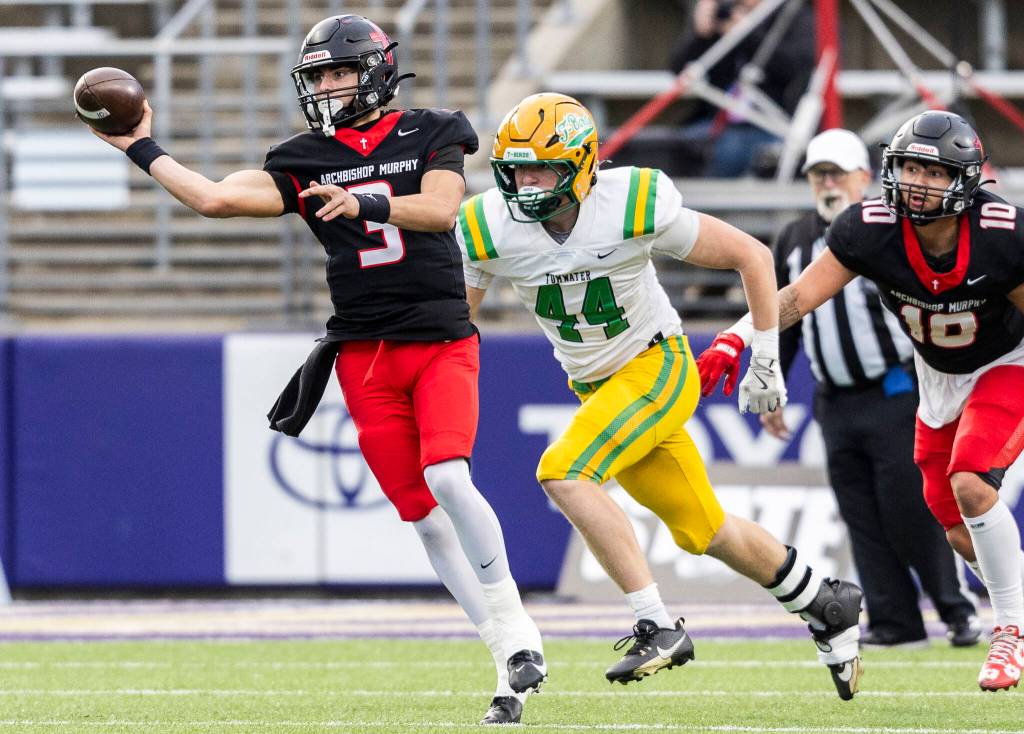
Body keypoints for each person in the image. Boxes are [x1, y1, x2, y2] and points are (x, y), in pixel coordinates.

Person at [90, 14, 544, 725]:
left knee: (449, 475)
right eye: (319, 77)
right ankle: (502, 658)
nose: (329, 87)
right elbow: (215, 199)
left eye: (339, 72)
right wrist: (139, 146)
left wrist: (367, 198)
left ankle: (518, 629)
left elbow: (441, 208)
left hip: (438, 338)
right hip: (363, 355)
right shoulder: (304, 156)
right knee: (423, 520)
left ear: (377, 70)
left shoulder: (432, 128)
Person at [456, 92, 864, 700]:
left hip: (657, 366)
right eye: (516, 168)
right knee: (704, 531)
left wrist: (767, 359)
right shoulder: (487, 224)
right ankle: (823, 601)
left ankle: (655, 623)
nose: (526, 183)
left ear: (582, 164)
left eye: (541, 168)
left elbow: (752, 257)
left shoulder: (629, 202)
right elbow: (455, 326)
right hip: (598, 387)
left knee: (563, 471)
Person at [698, 110, 1024, 691]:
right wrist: (736, 336)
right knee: (953, 527)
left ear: (966, 181)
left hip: (1006, 363)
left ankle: (1010, 633)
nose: (917, 182)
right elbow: (797, 297)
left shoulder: (1002, 236)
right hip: (937, 376)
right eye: (909, 167)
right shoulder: (869, 228)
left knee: (972, 482)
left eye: (933, 171)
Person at [762, 127, 981, 649]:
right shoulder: (794, 237)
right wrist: (771, 380)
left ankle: (957, 610)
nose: (828, 182)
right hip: (833, 400)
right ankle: (893, 620)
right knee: (860, 516)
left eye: (837, 172)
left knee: (910, 509)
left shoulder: (888, 232)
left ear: (865, 176)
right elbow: (788, 318)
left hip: (893, 390)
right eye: (819, 174)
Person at [668, 0, 814, 177]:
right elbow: (679, 69)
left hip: (772, 124)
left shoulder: (792, 15)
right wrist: (701, 34)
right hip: (717, 121)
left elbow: (796, 68)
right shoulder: (726, 13)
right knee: (666, 146)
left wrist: (748, 33)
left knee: (730, 148)